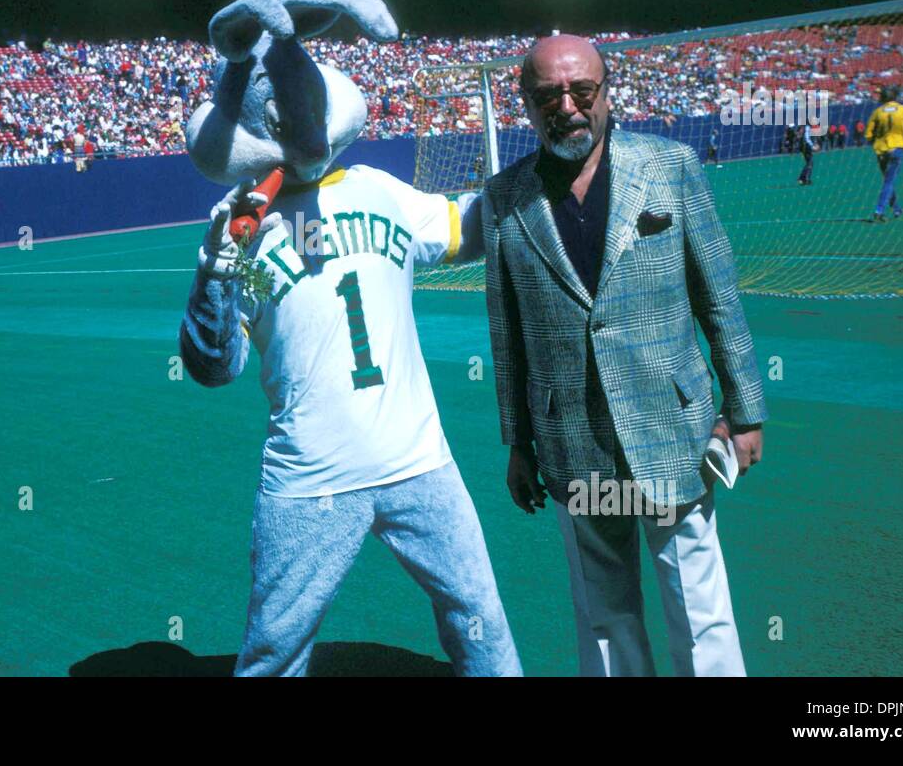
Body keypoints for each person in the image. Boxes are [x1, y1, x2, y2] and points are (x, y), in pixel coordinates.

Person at [482, 34, 767, 677]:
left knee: (698, 605)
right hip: (570, 439)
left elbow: (717, 294)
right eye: (549, 94)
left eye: (582, 89)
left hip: (672, 426)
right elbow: (508, 332)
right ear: (525, 102)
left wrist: (745, 410)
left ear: (607, 93)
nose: (568, 106)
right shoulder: (504, 196)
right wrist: (518, 442)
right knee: (603, 613)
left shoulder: (672, 166)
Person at [181, 174, 521, 678]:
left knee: (479, 616)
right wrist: (216, 271)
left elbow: (467, 226)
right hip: (309, 476)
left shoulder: (378, 189)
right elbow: (215, 367)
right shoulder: (251, 223)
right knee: (275, 648)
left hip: (418, 459)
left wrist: (530, 186)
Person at [865, 87, 903, 221]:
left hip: (881, 150)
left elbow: (868, 135)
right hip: (897, 148)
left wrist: (877, 144)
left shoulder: (877, 112)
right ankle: (879, 210)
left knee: (888, 180)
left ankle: (897, 209)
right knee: (889, 181)